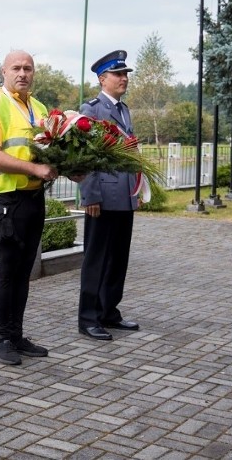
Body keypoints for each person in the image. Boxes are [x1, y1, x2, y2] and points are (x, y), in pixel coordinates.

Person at [0, 50, 58, 365]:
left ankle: (17, 334)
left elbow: (48, 149)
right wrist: (35, 170)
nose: (22, 73)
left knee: (24, 273)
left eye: (28, 68)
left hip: (33, 199)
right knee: (7, 273)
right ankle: (2, 340)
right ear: (3, 72)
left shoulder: (37, 107)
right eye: (16, 68)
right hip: (7, 199)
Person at [77, 50, 142, 341]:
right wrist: (90, 195)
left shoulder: (124, 109)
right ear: (103, 79)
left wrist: (136, 191)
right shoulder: (91, 109)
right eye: (118, 74)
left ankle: (109, 312)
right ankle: (88, 317)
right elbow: (85, 156)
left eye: (126, 74)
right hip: (102, 197)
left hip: (123, 196)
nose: (124, 79)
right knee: (97, 259)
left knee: (118, 258)